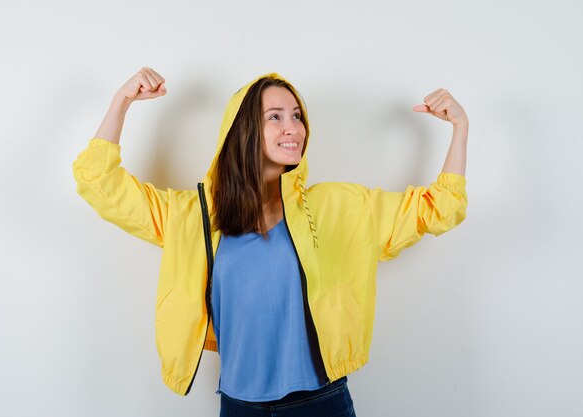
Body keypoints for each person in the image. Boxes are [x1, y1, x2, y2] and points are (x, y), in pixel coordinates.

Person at [72, 67, 469, 417]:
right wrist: (122, 100)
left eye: (297, 116)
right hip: (238, 407)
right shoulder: (194, 217)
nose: (293, 127)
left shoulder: (340, 208)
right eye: (275, 117)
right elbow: (98, 183)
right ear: (243, 130)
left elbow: (439, 207)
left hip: (321, 405)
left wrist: (460, 127)